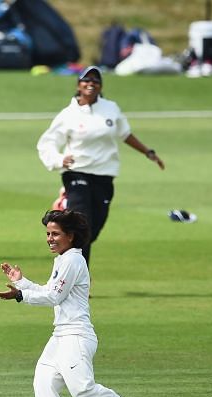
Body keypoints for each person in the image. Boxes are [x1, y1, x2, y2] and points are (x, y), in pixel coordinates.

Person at [0, 209, 155, 397]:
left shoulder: (73, 261)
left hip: (76, 336)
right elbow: (50, 291)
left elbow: (53, 297)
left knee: (82, 390)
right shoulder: (62, 259)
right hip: (60, 335)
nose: (49, 238)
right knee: (44, 383)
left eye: (55, 233)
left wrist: (19, 295)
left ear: (71, 236)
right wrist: (22, 282)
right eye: (47, 233)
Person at [36, 66, 165, 267]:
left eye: (95, 81)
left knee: (91, 231)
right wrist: (58, 159)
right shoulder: (68, 114)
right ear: (78, 85)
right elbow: (47, 142)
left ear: (101, 86)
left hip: (104, 175)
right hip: (76, 172)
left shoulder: (111, 108)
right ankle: (78, 281)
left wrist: (148, 152)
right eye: (86, 80)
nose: (91, 84)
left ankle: (65, 213)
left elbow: (125, 134)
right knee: (81, 227)